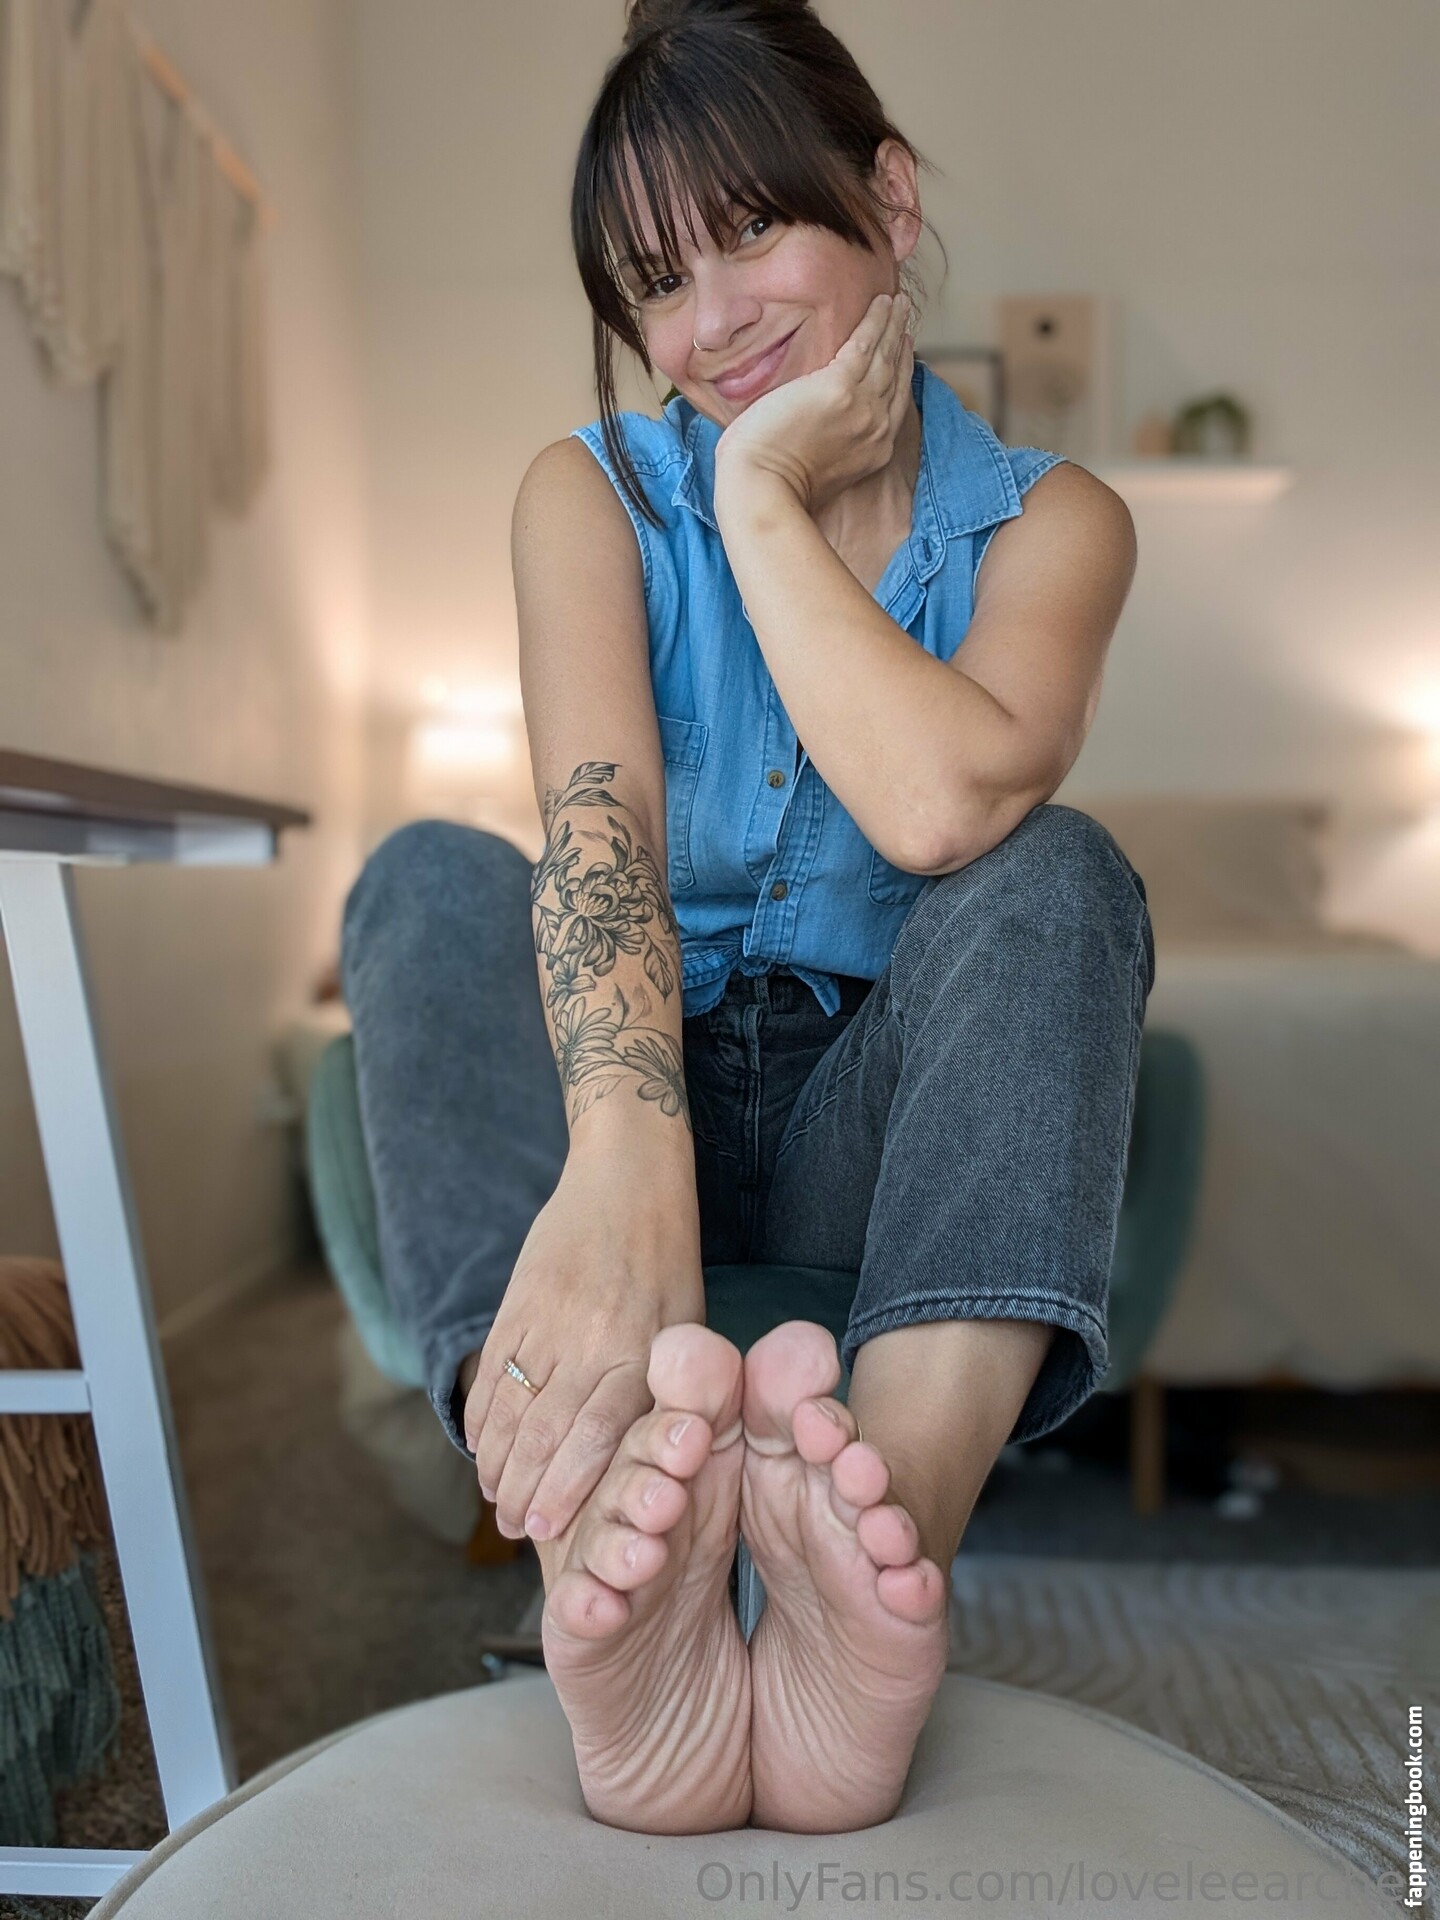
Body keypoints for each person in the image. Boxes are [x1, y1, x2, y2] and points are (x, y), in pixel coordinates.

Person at [340, 0, 1151, 1839]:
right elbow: (602, 836)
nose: (710, 323)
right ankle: (610, 1564)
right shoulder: (585, 495)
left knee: (1061, 875)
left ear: (887, 199)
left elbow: (946, 808)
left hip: (884, 1112)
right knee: (428, 882)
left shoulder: (1053, 525)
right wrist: (629, 1152)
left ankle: (864, 1577)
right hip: (640, 1096)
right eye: (655, 281)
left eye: (750, 229)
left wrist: (763, 500)